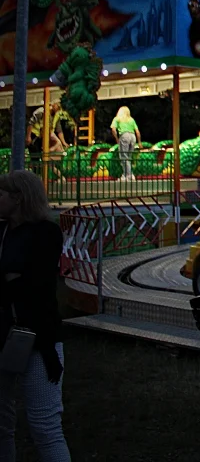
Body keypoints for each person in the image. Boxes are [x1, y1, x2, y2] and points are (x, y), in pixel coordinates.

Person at [0, 171, 70, 462]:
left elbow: (38, 286)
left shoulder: (46, 232)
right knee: (1, 423)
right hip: (3, 334)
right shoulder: (1, 231)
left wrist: (12, 280)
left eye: (1, 193)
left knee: (44, 425)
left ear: (18, 198)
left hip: (39, 339)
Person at [110, 106, 141, 181]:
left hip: (124, 136)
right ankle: (128, 174)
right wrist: (139, 142)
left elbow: (113, 129)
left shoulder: (117, 118)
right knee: (129, 157)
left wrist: (117, 138)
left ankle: (128, 175)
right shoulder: (131, 120)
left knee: (124, 156)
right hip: (133, 136)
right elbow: (137, 131)